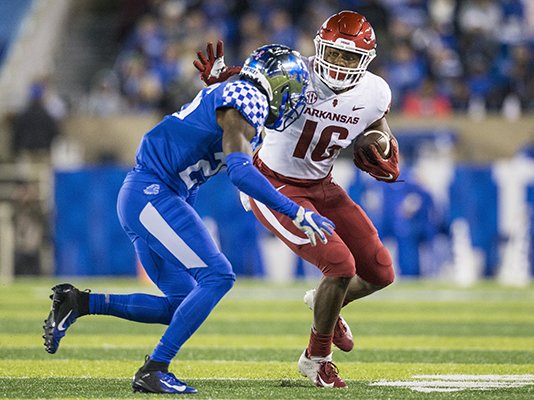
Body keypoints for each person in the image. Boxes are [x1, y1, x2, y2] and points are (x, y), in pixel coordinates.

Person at [42, 44, 335, 394]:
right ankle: (154, 368)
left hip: (150, 195)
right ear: (279, 83)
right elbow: (241, 173)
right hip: (152, 194)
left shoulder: (236, 93)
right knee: (219, 276)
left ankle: (79, 302)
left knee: (180, 304)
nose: (296, 100)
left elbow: (193, 160)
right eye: (295, 91)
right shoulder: (248, 98)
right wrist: (296, 210)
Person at [195, 11, 400, 388]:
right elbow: (254, 80)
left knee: (379, 272)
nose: (338, 63)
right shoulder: (296, 73)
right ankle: (317, 358)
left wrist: (383, 145)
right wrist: (221, 80)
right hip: (272, 184)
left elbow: (376, 126)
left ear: (365, 61)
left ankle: (325, 303)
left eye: (349, 57)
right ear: (318, 48)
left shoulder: (375, 91)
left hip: (323, 184)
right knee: (339, 264)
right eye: (333, 53)